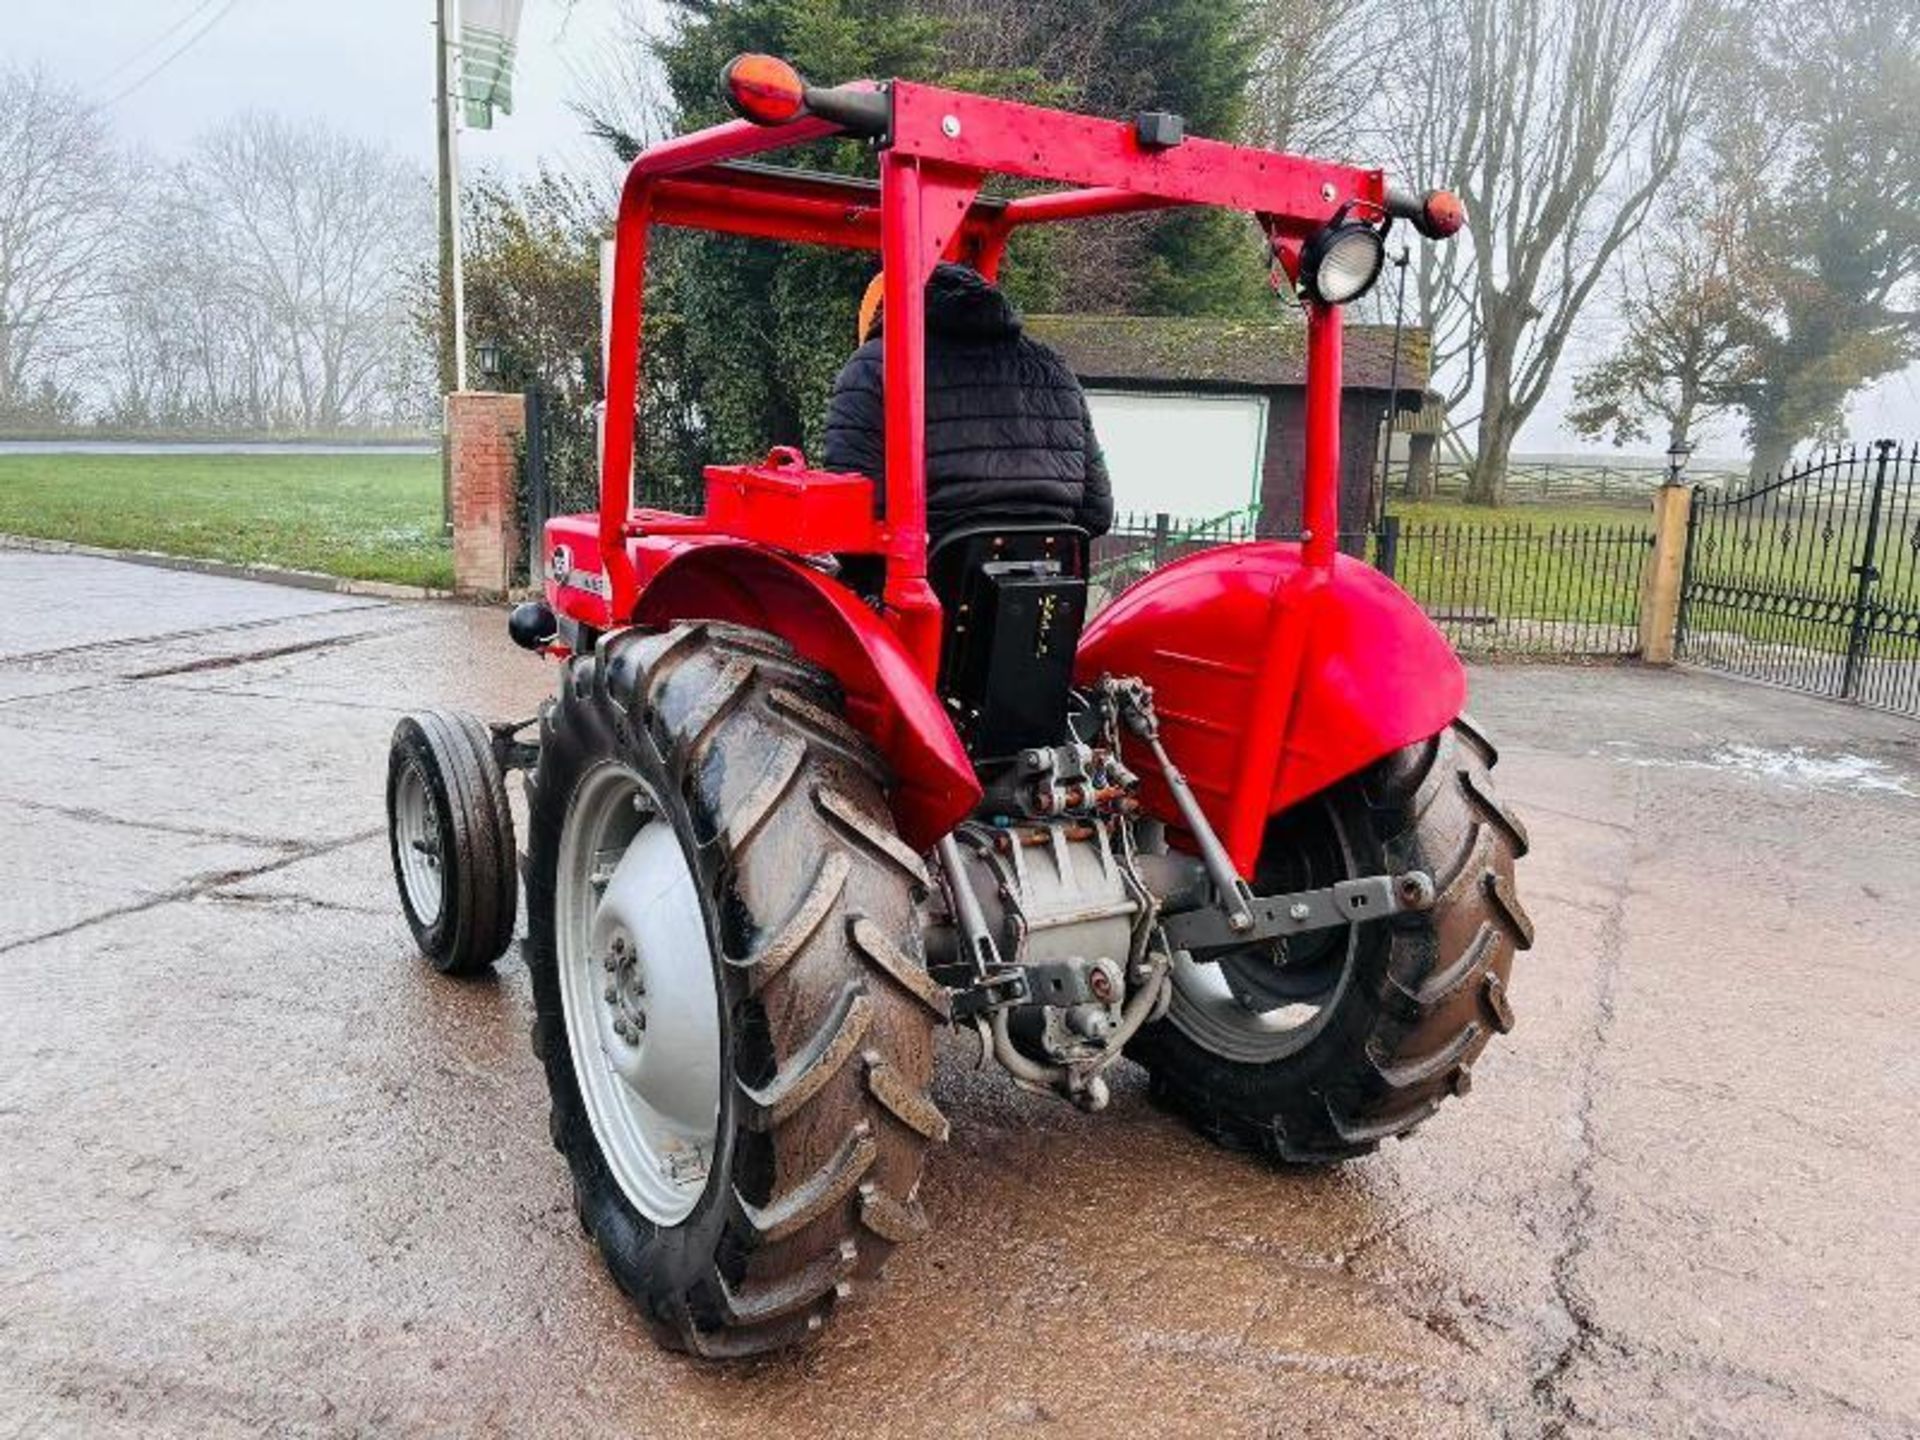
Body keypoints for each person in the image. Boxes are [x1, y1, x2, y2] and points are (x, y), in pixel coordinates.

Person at [822, 263, 1114, 545]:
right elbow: (1097, 512)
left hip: (933, 572)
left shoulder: (875, 364)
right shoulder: (1052, 366)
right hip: (1051, 573)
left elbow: (853, 508)